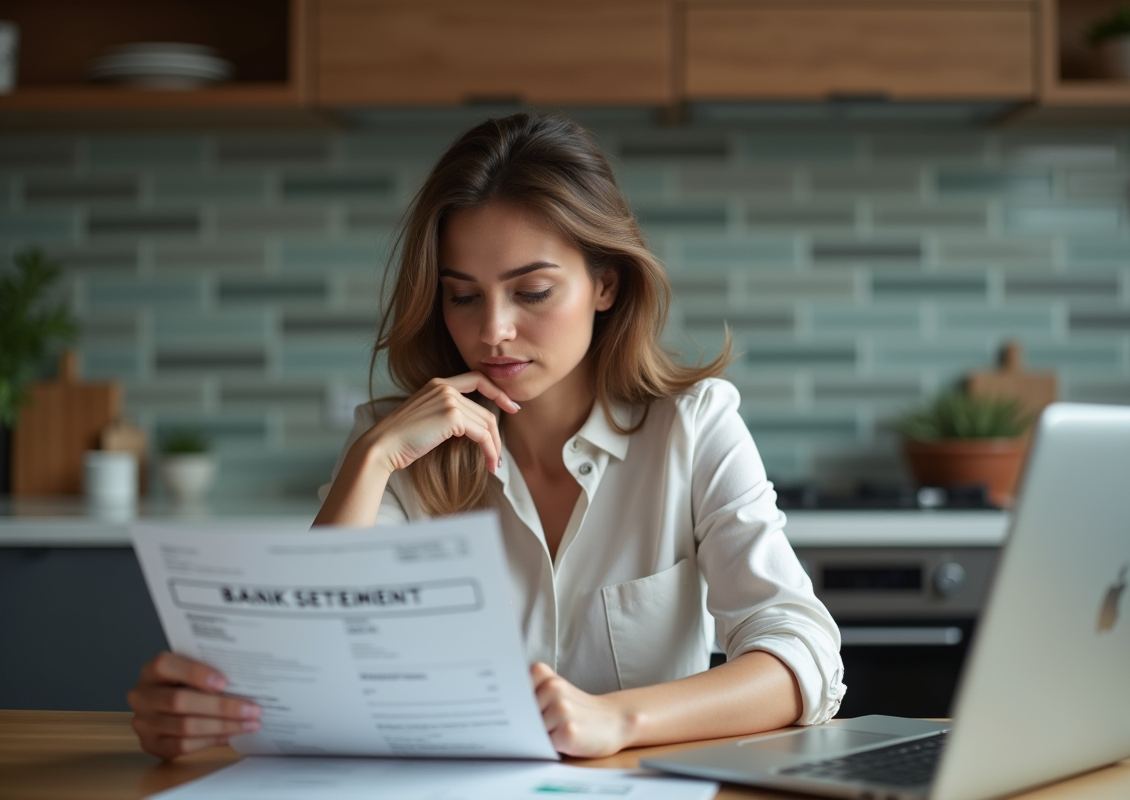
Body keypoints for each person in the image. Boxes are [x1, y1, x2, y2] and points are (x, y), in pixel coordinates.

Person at [127, 113, 845, 760]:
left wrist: (617, 719)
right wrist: (372, 459)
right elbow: (309, 671)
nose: (492, 330)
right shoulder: (395, 446)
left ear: (606, 285)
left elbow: (804, 655)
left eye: (532, 292)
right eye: (463, 295)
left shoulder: (694, 427)